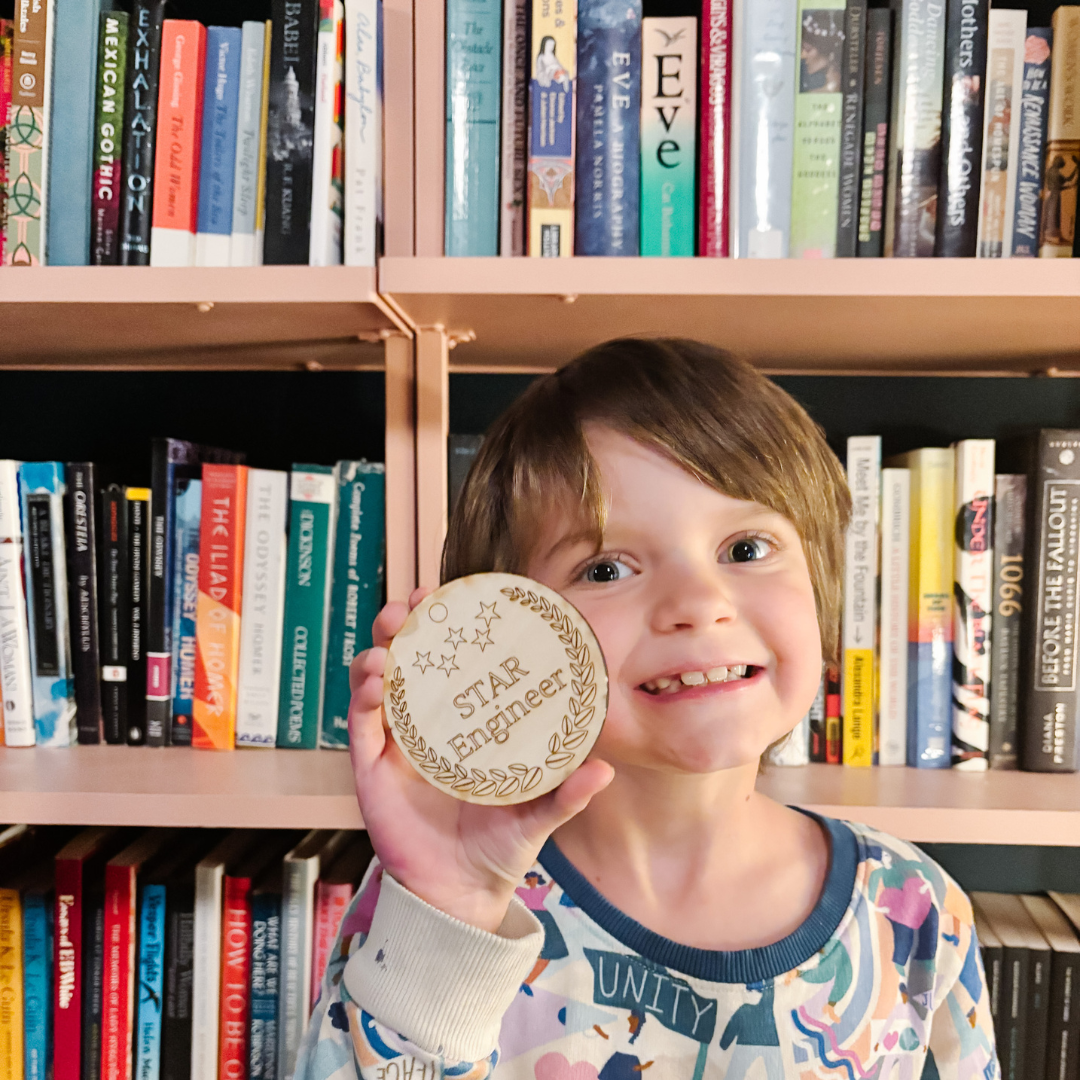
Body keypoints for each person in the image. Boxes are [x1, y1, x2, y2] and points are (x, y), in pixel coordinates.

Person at [296, 339, 998, 1080]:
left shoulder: (913, 911)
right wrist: (455, 913)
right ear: (514, 630)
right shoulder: (443, 899)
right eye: (606, 568)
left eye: (747, 548)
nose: (698, 604)